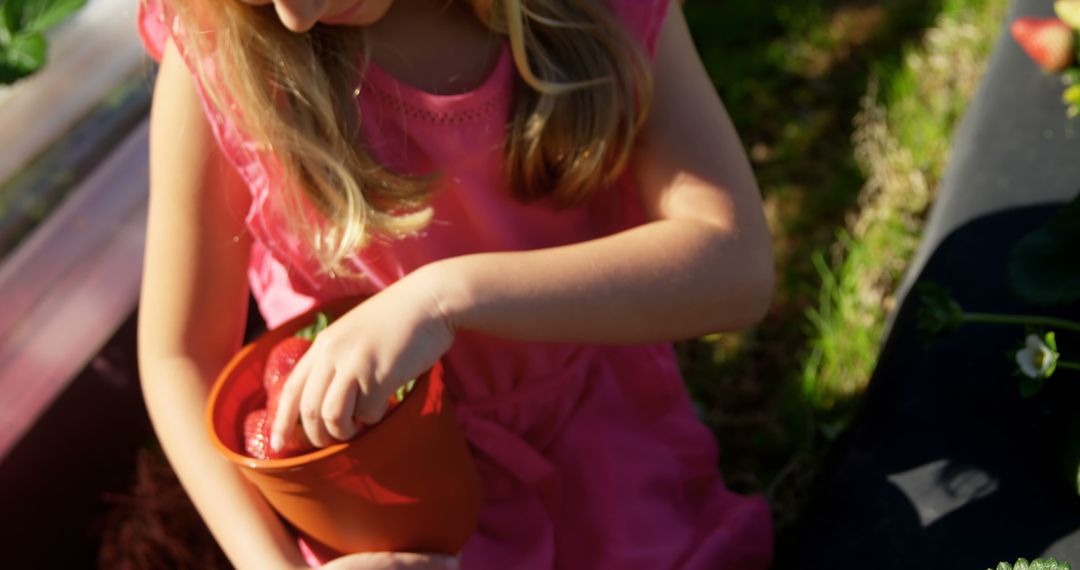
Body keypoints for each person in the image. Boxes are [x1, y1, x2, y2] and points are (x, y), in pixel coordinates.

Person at [135, 0, 775, 567]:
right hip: (386, 498)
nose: (293, 15)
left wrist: (445, 298)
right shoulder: (221, 55)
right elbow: (180, 354)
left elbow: (735, 264)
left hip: (603, 451)